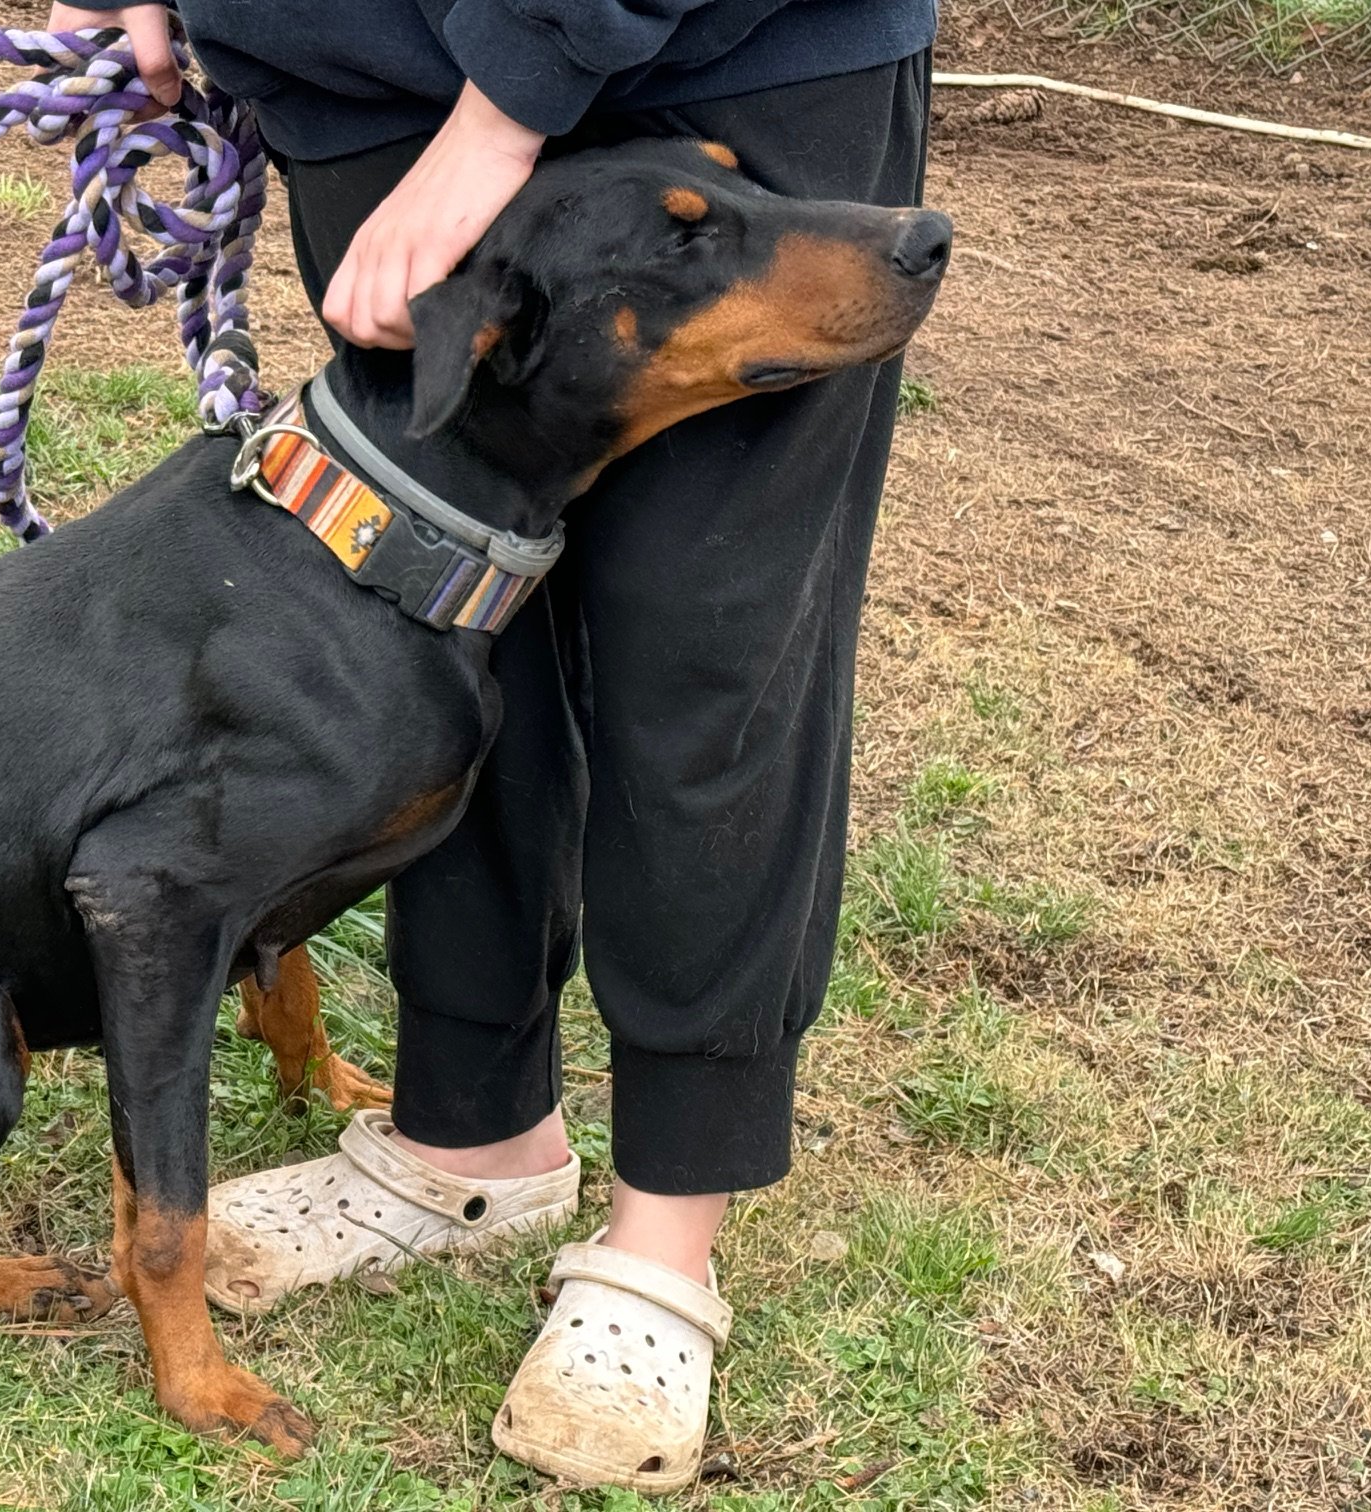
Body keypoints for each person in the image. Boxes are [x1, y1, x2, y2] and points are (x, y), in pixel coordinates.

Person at [50, 0, 937, 1491]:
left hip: (725, 47)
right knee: (439, 624)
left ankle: (664, 1241)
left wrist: (511, 98)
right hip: (370, 70)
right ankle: (471, 1139)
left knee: (707, 655)